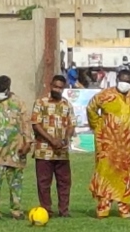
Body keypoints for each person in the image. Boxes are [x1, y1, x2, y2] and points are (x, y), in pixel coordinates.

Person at [86, 69, 130, 219]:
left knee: (127, 175)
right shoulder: (104, 95)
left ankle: (124, 208)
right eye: (123, 80)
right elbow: (91, 108)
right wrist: (98, 125)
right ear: (117, 80)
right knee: (105, 172)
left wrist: (125, 126)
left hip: (127, 146)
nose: (125, 83)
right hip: (107, 144)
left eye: (128, 81)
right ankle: (103, 207)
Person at [0, 75, 33, 220]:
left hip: (15, 150)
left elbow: (25, 123)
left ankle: (16, 209)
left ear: (8, 89)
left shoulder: (18, 102)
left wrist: (27, 143)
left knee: (15, 183)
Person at [32, 75, 75, 217]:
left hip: (61, 152)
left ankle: (64, 210)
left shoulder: (67, 105)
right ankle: (46, 210)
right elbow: (36, 124)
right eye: (55, 86)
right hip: (44, 150)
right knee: (43, 183)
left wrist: (66, 138)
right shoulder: (41, 103)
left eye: (60, 87)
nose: (57, 89)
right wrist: (51, 139)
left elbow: (71, 124)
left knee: (64, 183)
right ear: (50, 86)